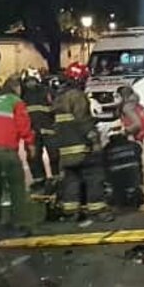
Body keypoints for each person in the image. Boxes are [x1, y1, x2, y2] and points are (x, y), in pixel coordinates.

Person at [0, 76, 35, 237]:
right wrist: (30, 144)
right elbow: (23, 124)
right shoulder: (15, 101)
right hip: (5, 147)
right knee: (16, 184)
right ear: (16, 87)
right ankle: (19, 224)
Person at [53, 78, 106, 217]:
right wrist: (94, 140)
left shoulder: (58, 101)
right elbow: (83, 120)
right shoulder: (77, 97)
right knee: (94, 175)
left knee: (71, 179)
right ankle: (97, 209)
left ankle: (71, 211)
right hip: (81, 148)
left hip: (65, 151)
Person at [21, 68, 56, 189]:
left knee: (50, 155)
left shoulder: (46, 92)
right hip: (39, 130)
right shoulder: (23, 95)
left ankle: (50, 179)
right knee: (37, 157)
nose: (30, 84)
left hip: (42, 130)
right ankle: (45, 180)